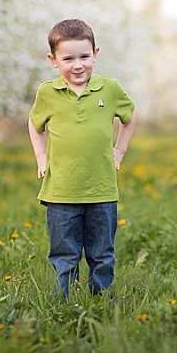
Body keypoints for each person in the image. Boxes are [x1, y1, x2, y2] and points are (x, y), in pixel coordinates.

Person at [28, 19, 138, 298]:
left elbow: (130, 116)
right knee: (65, 251)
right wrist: (41, 156)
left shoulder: (109, 89)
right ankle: (67, 298)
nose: (78, 65)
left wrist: (119, 150)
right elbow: (34, 124)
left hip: (101, 191)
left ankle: (100, 298)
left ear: (95, 53)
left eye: (84, 57)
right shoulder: (47, 93)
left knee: (102, 252)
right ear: (53, 60)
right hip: (61, 193)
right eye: (68, 59)